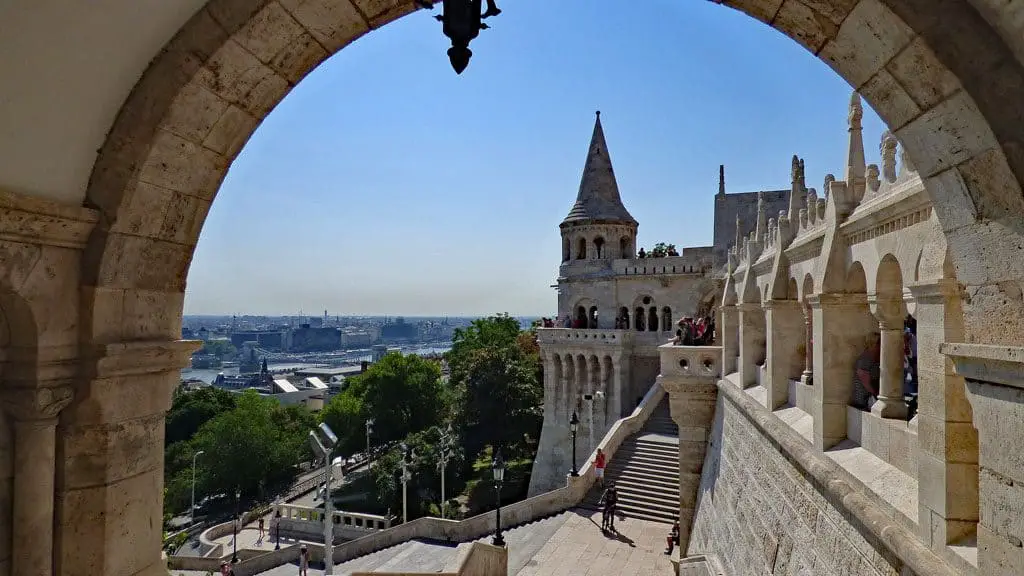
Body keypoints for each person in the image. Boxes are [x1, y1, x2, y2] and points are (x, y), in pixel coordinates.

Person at [852, 333, 881, 411]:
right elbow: (866, 383)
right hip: (863, 400)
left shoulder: (875, 357)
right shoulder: (865, 359)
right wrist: (876, 395)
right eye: (879, 342)